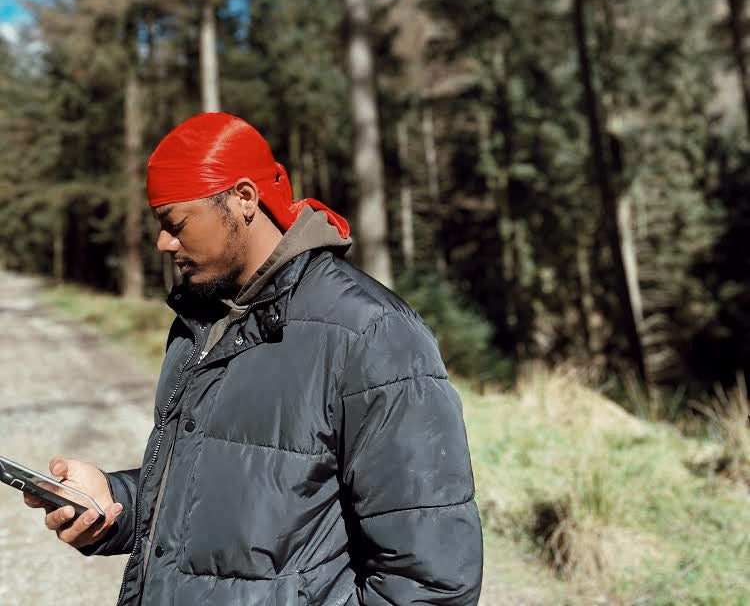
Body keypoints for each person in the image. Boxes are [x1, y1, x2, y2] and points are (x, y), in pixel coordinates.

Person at [28, 112, 483, 605]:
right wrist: (113, 505)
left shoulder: (371, 333)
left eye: (175, 223)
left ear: (244, 198)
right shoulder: (200, 321)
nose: (163, 243)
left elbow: (430, 581)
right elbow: (225, 497)